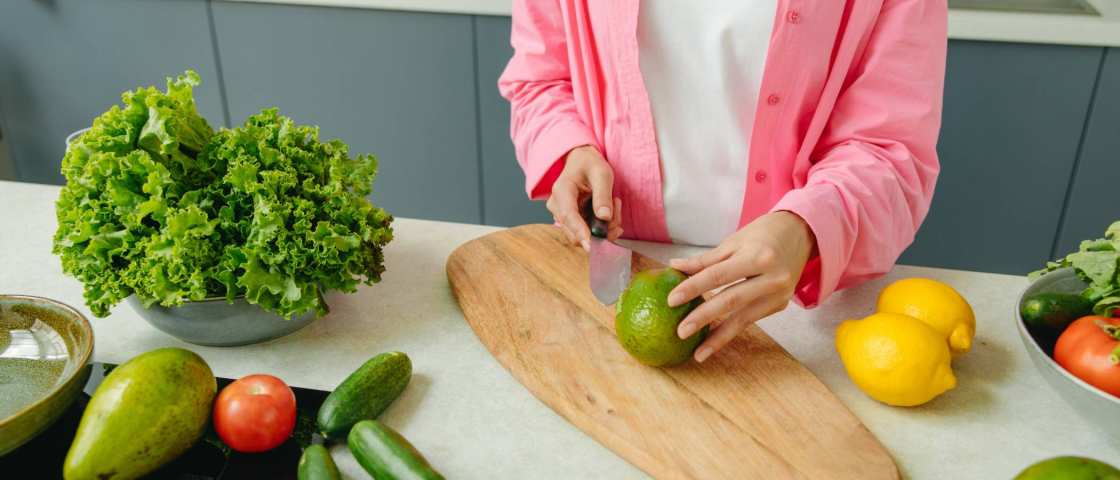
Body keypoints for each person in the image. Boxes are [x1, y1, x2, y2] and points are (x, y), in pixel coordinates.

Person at [499, 1, 946, 363]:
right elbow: (541, 81)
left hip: (794, 302)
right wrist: (569, 151)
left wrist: (806, 227)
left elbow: (891, 148)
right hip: (625, 267)